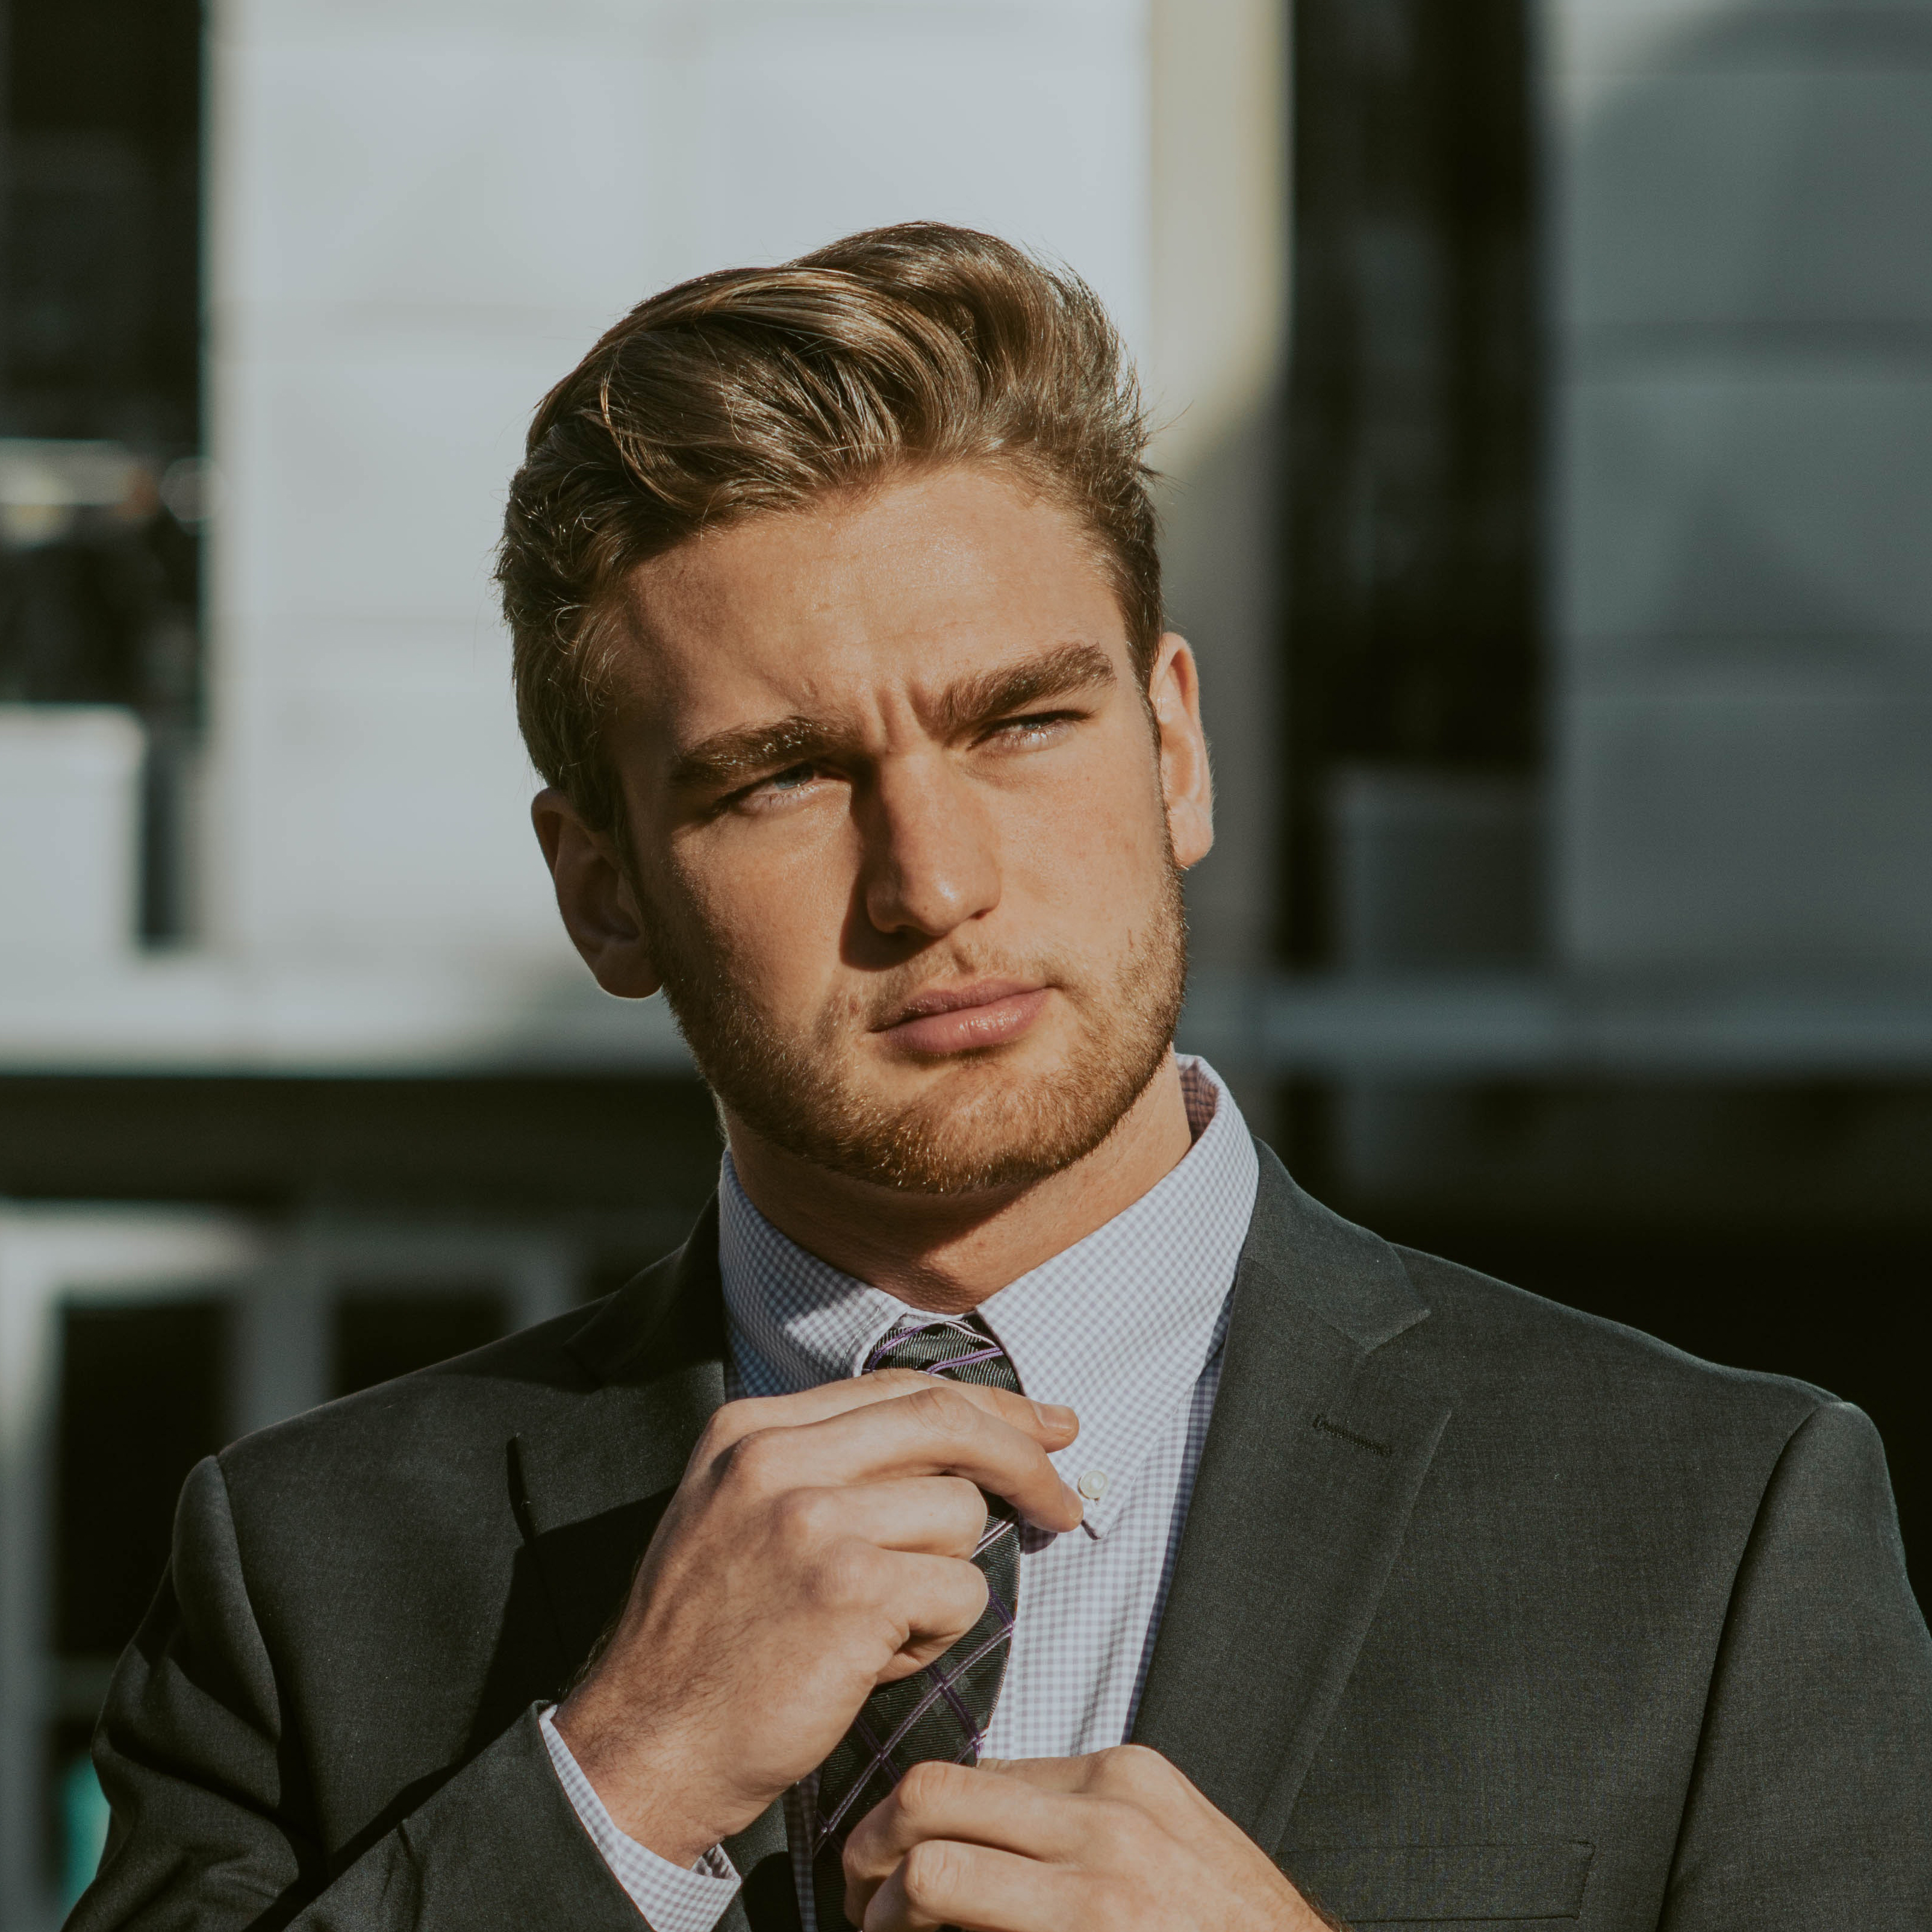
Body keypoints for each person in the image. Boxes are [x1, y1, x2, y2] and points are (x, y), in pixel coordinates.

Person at [73, 225, 1930, 1932]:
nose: (934, 883)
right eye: (781, 778)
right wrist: (613, 1794)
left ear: (1176, 748)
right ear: (603, 890)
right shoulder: (309, 1573)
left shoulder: (1718, 1532)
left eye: (1024, 723)